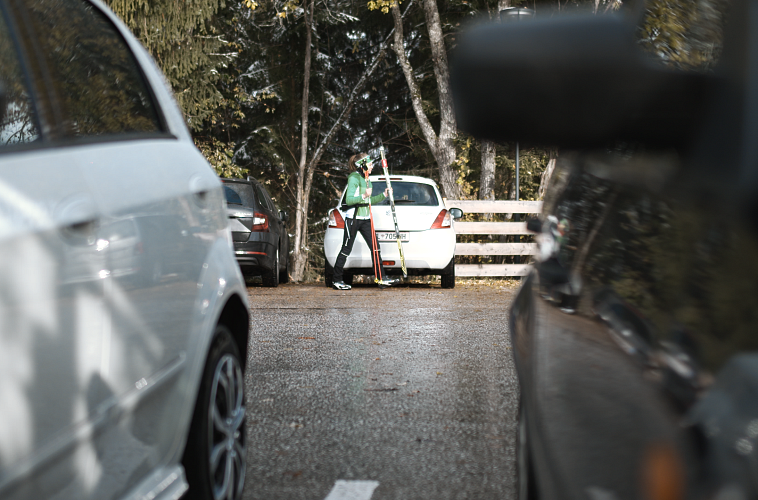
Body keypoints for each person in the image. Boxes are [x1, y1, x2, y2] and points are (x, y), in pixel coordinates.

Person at [332, 153, 398, 290]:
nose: (372, 166)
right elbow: (349, 200)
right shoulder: (354, 178)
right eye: (370, 163)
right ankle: (337, 280)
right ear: (362, 165)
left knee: (375, 247)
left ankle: (381, 278)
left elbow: (369, 201)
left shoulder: (367, 179)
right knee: (346, 249)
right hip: (353, 218)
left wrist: (384, 195)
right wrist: (363, 195)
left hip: (366, 218)